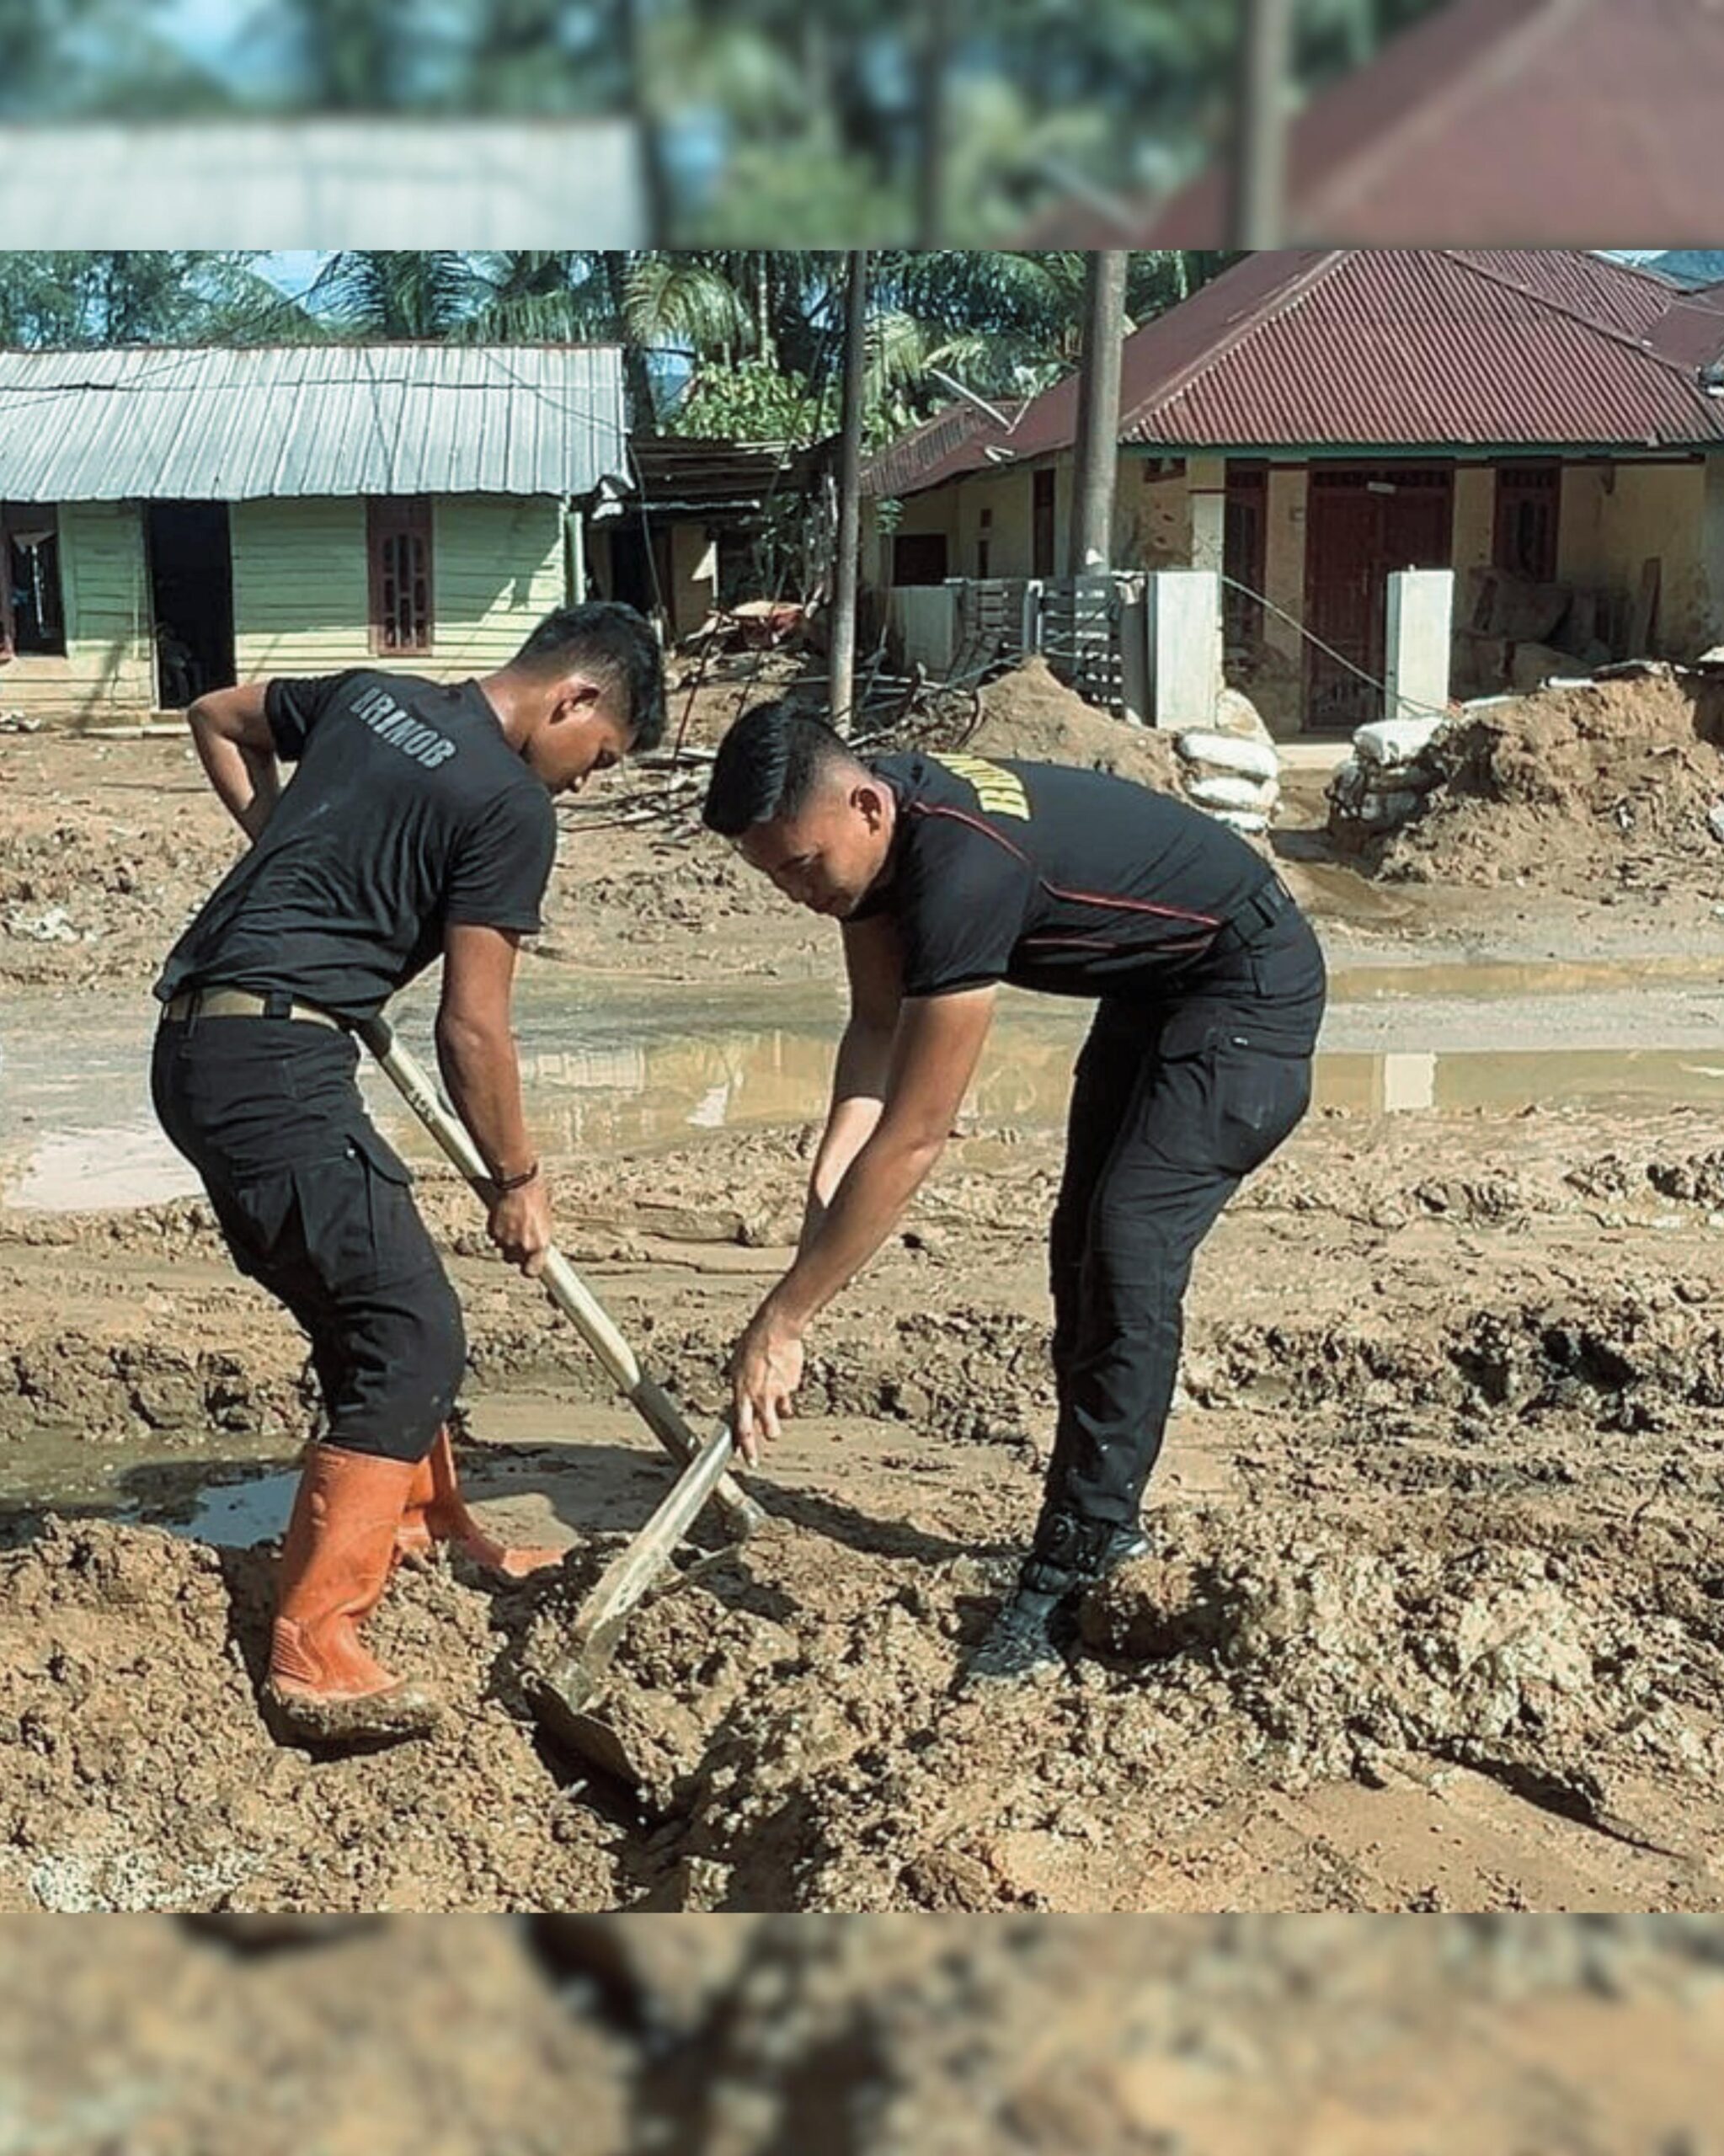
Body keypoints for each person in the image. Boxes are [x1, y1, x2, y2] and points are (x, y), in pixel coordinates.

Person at [702, 705, 1326, 1684]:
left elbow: (916, 1133)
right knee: (1079, 1247)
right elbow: (876, 1031)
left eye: (805, 867)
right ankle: (1096, 1524)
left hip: (1247, 989)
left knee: (1126, 1244)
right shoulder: (871, 836)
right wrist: (827, 1191)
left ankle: (1077, 1553)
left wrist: (784, 1318)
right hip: (1155, 987)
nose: (800, 893)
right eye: (777, 876)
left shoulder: (962, 873)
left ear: (864, 805)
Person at [152, 604, 665, 1742]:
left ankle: (424, 1525)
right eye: (601, 757)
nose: (586, 780)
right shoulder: (510, 805)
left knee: (370, 1313)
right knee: (409, 1332)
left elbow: (217, 715)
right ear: (574, 698)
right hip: (273, 1065)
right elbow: (472, 1026)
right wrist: (518, 1177)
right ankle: (313, 1651)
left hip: (196, 1049)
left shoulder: (375, 696)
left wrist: (286, 852)